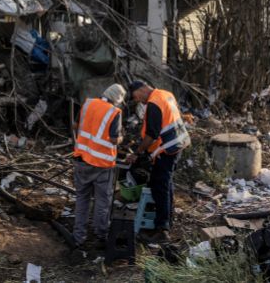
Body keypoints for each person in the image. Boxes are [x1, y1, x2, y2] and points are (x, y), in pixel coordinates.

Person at [126, 81, 191, 242]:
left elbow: (152, 134)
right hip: (178, 144)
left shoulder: (153, 103)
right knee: (166, 184)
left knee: (159, 186)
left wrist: (138, 152)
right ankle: (168, 219)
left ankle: (162, 229)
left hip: (167, 149)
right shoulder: (166, 94)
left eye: (136, 97)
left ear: (141, 90)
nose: (138, 101)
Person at [72, 83, 126, 250]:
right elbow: (113, 138)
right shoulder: (114, 112)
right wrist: (122, 138)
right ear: (117, 99)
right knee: (102, 201)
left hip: (82, 159)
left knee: (82, 199)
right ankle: (101, 235)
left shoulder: (88, 104)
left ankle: (78, 237)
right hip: (102, 164)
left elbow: (76, 126)